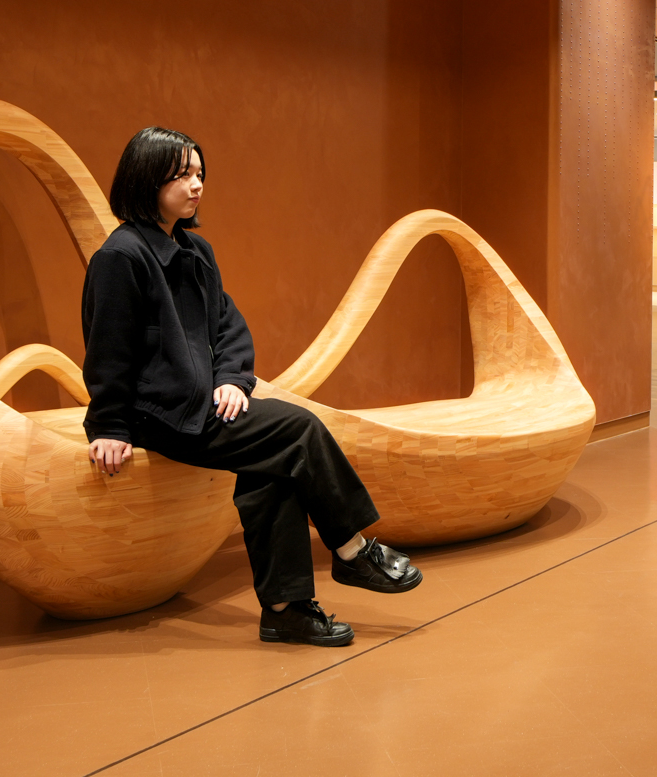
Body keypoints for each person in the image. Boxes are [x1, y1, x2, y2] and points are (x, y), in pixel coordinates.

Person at [81, 127, 421, 646]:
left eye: (200, 173)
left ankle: (285, 610)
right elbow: (107, 348)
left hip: (199, 404)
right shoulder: (121, 256)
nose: (196, 185)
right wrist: (109, 424)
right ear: (146, 178)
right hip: (159, 413)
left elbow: (228, 327)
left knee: (274, 469)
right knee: (299, 429)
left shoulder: (196, 250)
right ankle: (352, 550)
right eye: (182, 174)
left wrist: (232, 379)